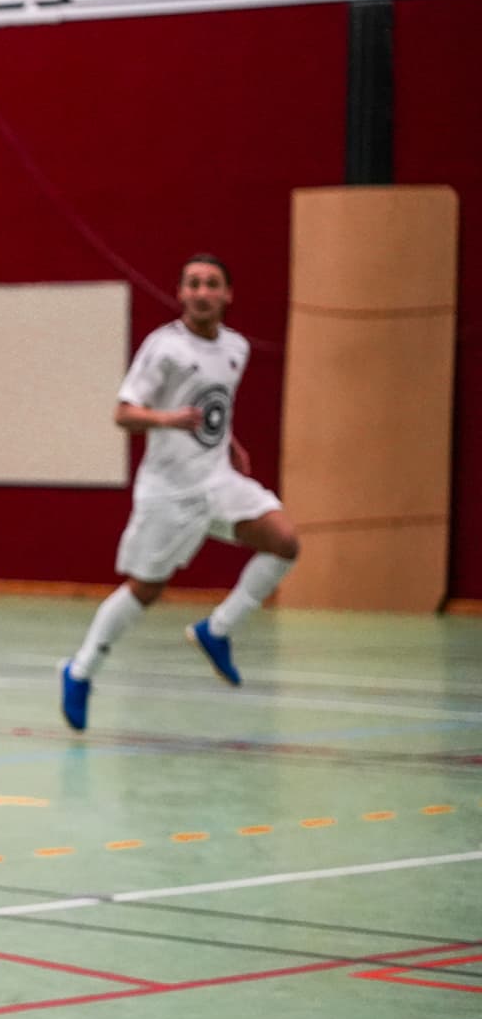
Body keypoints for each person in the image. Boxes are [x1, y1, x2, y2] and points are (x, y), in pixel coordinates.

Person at [60, 254, 300, 730]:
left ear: (227, 294)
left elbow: (212, 405)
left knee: (284, 543)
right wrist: (167, 420)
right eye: (193, 284)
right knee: (145, 590)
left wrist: (229, 441)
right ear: (182, 293)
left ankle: (217, 630)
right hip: (168, 492)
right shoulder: (163, 347)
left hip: (217, 480)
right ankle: (81, 669)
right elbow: (125, 413)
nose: (201, 292)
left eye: (212, 284)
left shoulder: (236, 348)